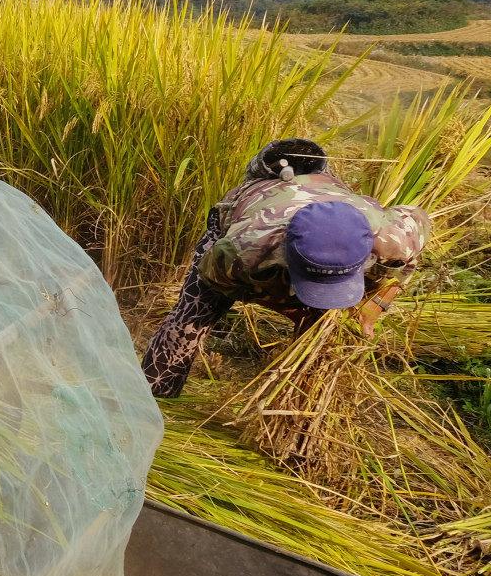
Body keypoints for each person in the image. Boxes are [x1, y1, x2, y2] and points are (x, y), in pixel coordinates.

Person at [141, 139, 431, 398]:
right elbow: (215, 284)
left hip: (328, 200)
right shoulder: (242, 250)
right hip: (253, 213)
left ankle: (300, 401)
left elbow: (413, 243)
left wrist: (372, 309)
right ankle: (155, 393)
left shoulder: (395, 236)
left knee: (323, 338)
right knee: (192, 315)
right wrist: (289, 307)